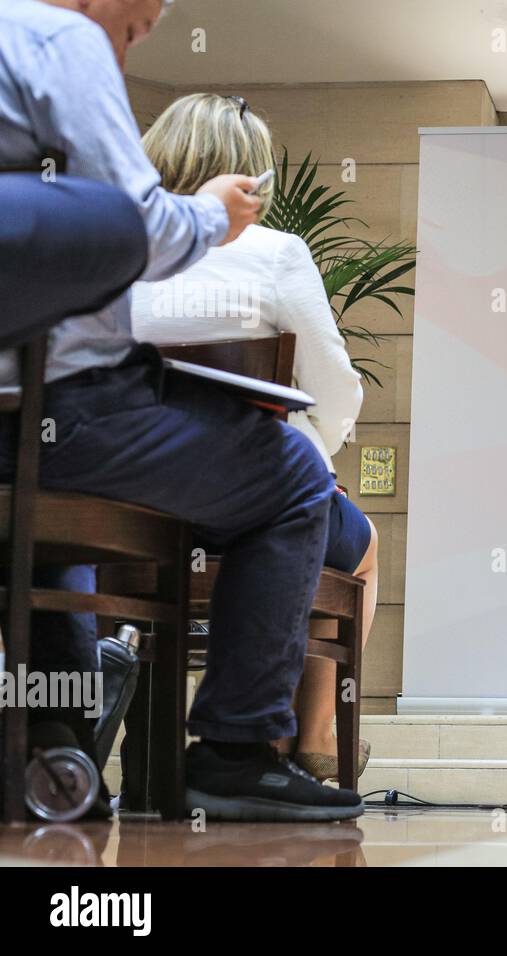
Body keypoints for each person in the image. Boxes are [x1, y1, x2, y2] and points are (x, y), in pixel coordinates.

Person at [0, 0, 362, 820]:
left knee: (55, 532)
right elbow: (135, 228)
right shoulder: (60, 41)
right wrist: (213, 218)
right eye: (137, 26)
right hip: (87, 427)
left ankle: (54, 742)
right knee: (300, 481)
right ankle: (237, 749)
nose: (133, 45)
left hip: (38, 459)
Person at [131, 92, 377, 782]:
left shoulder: (122, 247)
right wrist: (315, 451)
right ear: (252, 176)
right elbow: (332, 385)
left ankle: (135, 752)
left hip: (126, 514)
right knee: (357, 543)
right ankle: (310, 743)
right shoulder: (275, 252)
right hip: (241, 509)